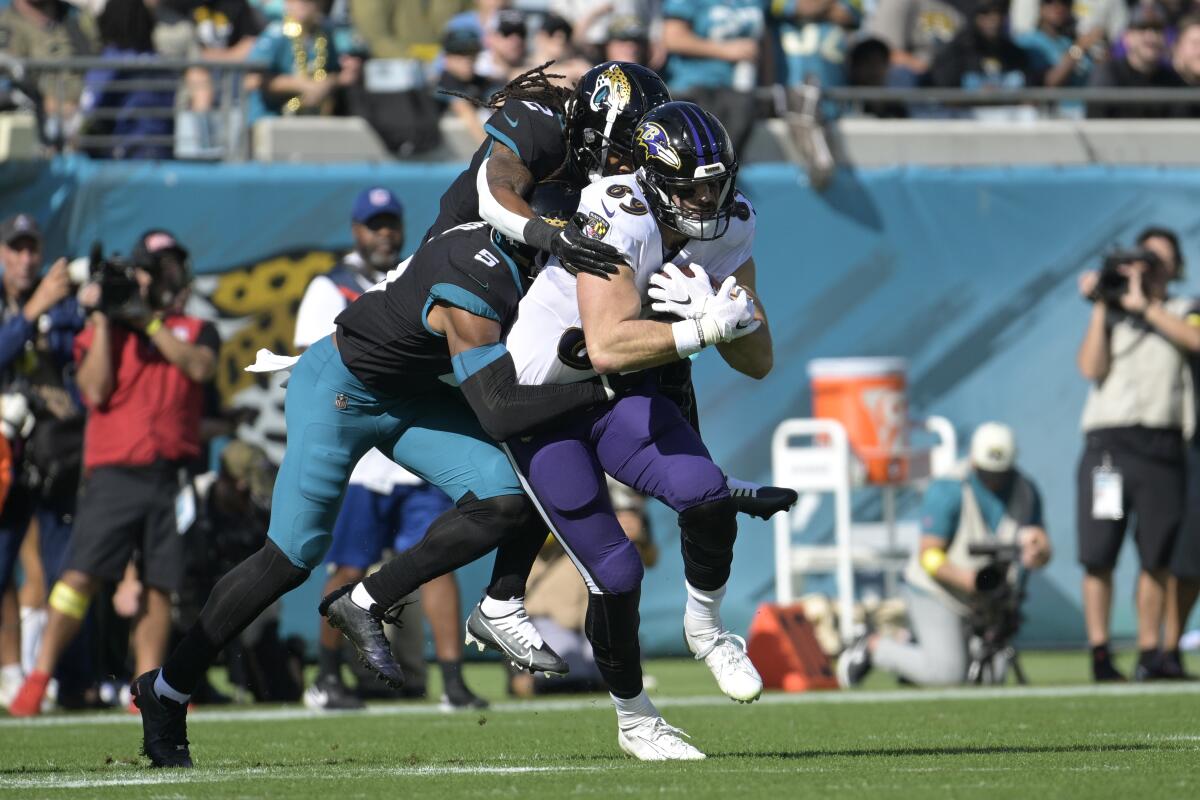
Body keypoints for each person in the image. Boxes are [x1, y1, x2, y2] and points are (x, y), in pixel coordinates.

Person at [131, 183, 618, 767]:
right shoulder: (479, 271)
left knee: (511, 493)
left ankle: (441, 601)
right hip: (340, 389)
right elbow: (499, 407)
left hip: (407, 394)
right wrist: (603, 388)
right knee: (289, 559)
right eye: (559, 240)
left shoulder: (489, 235)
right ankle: (168, 691)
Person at [10, 230, 220, 716]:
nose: (162, 274)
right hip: (113, 473)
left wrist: (148, 324)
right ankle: (38, 677)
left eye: (170, 264)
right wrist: (106, 317)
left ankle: (144, 689)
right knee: (79, 575)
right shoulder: (101, 330)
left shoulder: (192, 327)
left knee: (159, 584)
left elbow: (200, 368)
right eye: (154, 266)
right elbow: (95, 391)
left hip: (169, 474)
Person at [295, 186, 485, 712]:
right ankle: (326, 676)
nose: (383, 233)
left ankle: (452, 682)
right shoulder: (329, 288)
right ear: (356, 231)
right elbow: (316, 363)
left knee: (440, 561)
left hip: (414, 446)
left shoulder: (415, 274)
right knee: (349, 567)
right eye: (373, 224)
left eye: (390, 223)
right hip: (362, 457)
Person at [838, 423, 1053, 687]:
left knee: (991, 676)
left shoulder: (1026, 491)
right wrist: (969, 581)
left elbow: (1041, 548)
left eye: (1001, 473)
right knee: (948, 674)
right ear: (973, 460)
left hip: (985, 600)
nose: (994, 479)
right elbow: (928, 556)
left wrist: (1038, 550)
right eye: (987, 472)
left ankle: (913, 646)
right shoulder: (949, 489)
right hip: (936, 592)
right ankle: (873, 646)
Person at [1075, 240, 1200, 681]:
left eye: (1154, 261)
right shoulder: (1110, 313)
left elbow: (1196, 341)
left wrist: (1146, 307)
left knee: (1157, 553)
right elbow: (1091, 368)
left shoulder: (1183, 308)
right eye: (1137, 260)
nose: (1143, 269)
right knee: (1100, 550)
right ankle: (1100, 652)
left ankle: (1151, 650)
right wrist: (1101, 304)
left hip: (1163, 447)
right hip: (1110, 447)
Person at [0, 214, 83, 709]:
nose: (27, 259)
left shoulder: (57, 304)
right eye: (17, 249)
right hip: (7, 452)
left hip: (51, 454)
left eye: (34, 250)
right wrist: (35, 309)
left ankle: (45, 673)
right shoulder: (28, 303)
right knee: (3, 565)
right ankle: (11, 669)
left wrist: (83, 304)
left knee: (61, 568)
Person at [510, 478, 657, 698]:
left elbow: (650, 559)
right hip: (549, 616)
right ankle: (519, 674)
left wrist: (637, 535)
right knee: (566, 671)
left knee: (613, 672)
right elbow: (544, 538)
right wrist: (593, 520)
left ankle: (550, 678)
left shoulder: (624, 509)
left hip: (592, 620)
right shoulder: (561, 497)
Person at [661, 0, 764, 154]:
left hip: (741, 92)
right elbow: (672, 38)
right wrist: (725, 50)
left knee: (731, 162)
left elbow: (764, 39)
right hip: (696, 91)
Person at [245, 0, 361, 121]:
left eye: (310, 1)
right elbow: (251, 79)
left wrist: (333, 81)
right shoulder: (276, 34)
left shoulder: (325, 35)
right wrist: (301, 85)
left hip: (312, 120)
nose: (302, 5)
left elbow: (336, 73)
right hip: (272, 119)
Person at [1087, 3, 1184, 118]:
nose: (1151, 37)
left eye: (1158, 30)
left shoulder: (1172, 79)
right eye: (1142, 29)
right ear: (1127, 37)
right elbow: (1097, 122)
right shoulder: (1109, 74)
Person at [927, 0, 1042, 89]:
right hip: (966, 116)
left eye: (999, 12)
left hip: (1008, 116)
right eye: (985, 12)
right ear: (974, 16)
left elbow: (1029, 88)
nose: (994, 19)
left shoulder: (1014, 53)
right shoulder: (956, 51)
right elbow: (946, 91)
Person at [865, 0, 963, 84]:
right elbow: (884, 54)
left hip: (957, 71)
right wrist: (925, 66)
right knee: (901, 75)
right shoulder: (895, 3)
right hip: (920, 80)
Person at [1015, 0, 1098, 89]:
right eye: (1050, 1)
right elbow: (1047, 82)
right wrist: (1079, 49)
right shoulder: (1027, 41)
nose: (1058, 7)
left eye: (1064, 2)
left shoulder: (1068, 42)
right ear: (1041, 7)